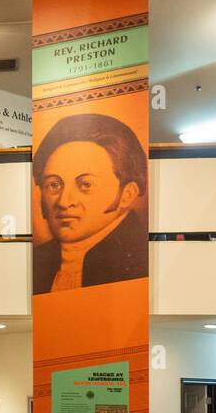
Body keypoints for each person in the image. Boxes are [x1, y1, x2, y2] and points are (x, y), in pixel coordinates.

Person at [32, 112, 148, 294]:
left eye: (85, 184)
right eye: (54, 185)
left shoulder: (138, 262)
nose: (64, 202)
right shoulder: (37, 260)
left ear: (127, 194)